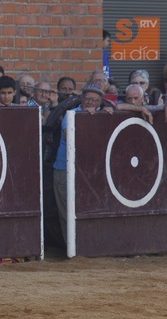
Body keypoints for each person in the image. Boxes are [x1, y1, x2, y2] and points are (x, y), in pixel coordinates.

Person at [52, 84, 113, 243]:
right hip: (65, 170)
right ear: (81, 99)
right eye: (87, 98)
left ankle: (89, 246)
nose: (90, 102)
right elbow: (68, 136)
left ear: (100, 103)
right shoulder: (71, 114)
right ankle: (72, 249)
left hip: (89, 173)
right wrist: (86, 119)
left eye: (95, 100)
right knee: (67, 212)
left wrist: (105, 115)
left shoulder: (101, 114)